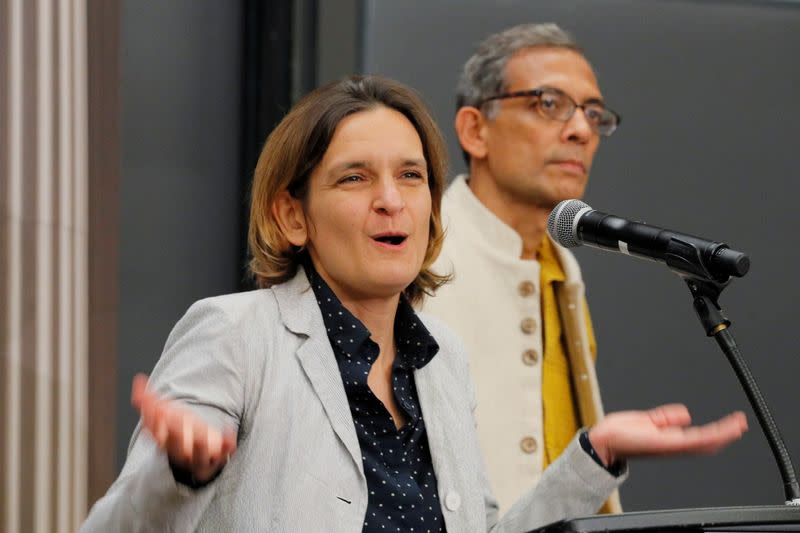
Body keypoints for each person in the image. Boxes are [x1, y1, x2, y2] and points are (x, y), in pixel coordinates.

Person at [81, 75, 746, 532]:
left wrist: (591, 456)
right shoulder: (233, 333)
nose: (392, 200)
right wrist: (182, 470)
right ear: (292, 215)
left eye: (411, 175)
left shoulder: (440, 358)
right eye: (354, 177)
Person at [420, 23, 625, 513]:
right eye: (548, 104)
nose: (580, 130)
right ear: (475, 129)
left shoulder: (563, 264)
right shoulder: (417, 254)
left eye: (593, 114)